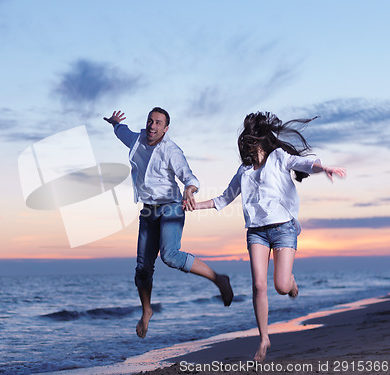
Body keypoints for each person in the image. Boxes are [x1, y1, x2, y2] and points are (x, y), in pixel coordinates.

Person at [189, 112, 346, 361]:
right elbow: (223, 198)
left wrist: (323, 167)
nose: (247, 143)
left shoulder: (278, 158)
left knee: (281, 286)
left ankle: (290, 280)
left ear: (260, 139)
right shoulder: (244, 171)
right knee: (259, 285)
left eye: (251, 138)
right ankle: (264, 338)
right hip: (256, 232)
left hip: (284, 227)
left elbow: (303, 164)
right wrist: (193, 206)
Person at [103, 108, 234, 339]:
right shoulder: (137, 140)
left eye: (158, 123)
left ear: (166, 128)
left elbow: (189, 176)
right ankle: (147, 311)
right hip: (148, 210)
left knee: (170, 255)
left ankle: (218, 279)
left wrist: (189, 190)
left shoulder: (171, 151)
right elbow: (122, 132)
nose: (152, 126)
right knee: (142, 269)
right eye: (150, 121)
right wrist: (115, 123)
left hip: (172, 205)